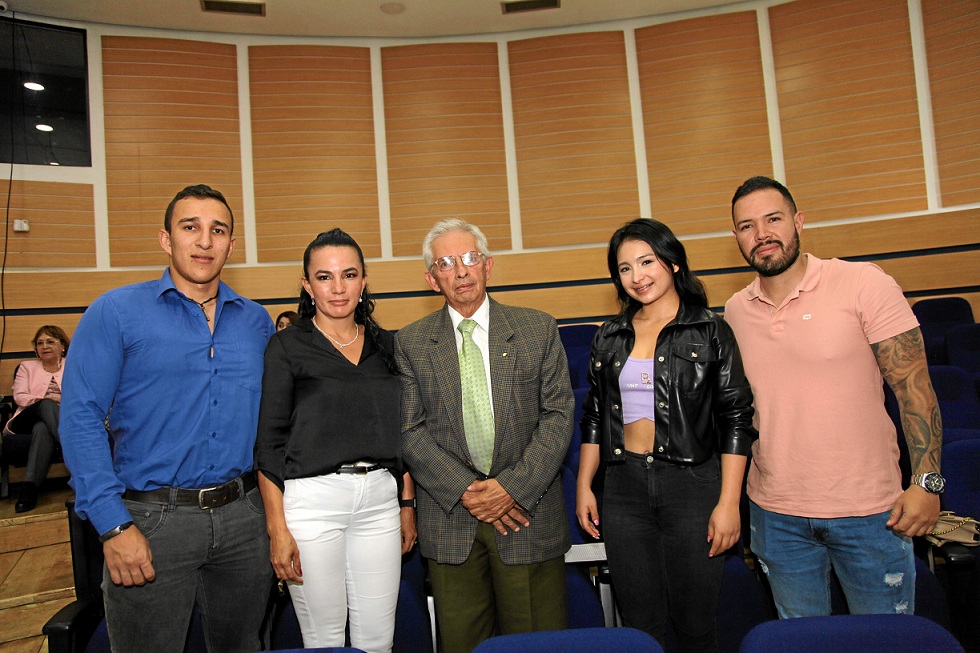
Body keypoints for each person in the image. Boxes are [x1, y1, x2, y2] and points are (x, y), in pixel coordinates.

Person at [59, 184, 276, 652]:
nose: (204, 241)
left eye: (218, 230)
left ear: (231, 245)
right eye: (190, 227)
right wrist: (113, 525)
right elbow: (79, 419)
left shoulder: (257, 321)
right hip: (151, 521)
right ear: (166, 239)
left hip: (244, 520)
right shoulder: (115, 312)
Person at [724, 176, 943, 618]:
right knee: (803, 644)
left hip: (871, 513)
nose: (762, 234)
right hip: (776, 515)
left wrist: (926, 482)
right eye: (747, 226)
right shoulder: (734, 310)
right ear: (737, 238)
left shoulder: (864, 283)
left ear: (798, 221)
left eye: (773, 219)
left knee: (884, 644)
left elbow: (915, 390)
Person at [575, 219, 756, 652]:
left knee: (696, 625)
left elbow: (736, 419)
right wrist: (584, 485)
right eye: (624, 268)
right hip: (623, 488)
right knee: (640, 626)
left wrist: (729, 503)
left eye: (646, 262)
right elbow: (594, 415)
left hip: (692, 486)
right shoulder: (609, 335)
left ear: (673, 263)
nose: (636, 276)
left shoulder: (710, 330)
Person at [395, 218, 574, 653]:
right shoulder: (411, 343)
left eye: (470, 258)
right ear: (431, 279)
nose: (460, 271)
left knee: (536, 647)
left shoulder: (537, 329)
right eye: (446, 263)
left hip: (527, 513)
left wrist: (510, 489)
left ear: (488, 265)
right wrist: (467, 490)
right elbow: (410, 429)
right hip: (451, 518)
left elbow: (558, 416)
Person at [255, 229, 417, 652]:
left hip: (380, 503)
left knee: (378, 641)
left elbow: (400, 435)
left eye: (349, 274)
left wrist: (406, 505)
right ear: (308, 286)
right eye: (324, 277)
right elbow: (269, 445)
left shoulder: (388, 346)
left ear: (364, 281)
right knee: (324, 640)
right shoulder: (286, 347)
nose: (338, 287)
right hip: (312, 504)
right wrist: (277, 529)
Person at [5, 325, 70, 512]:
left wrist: (58, 403)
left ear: (62, 346)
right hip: (26, 418)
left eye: (50, 341)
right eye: (40, 343)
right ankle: (75, 451)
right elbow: (20, 397)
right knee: (46, 406)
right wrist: (50, 401)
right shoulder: (26, 367)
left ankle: (29, 490)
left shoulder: (72, 365)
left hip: (57, 419)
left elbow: (81, 395)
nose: (44, 346)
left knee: (42, 428)